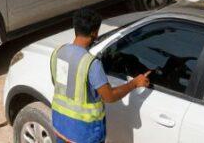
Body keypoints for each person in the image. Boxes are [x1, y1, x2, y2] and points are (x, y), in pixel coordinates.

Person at [50, 8, 149, 143]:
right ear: (94, 33)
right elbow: (109, 97)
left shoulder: (58, 52)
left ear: (76, 28)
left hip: (60, 127)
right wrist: (134, 83)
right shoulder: (91, 63)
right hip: (84, 134)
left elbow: (58, 83)